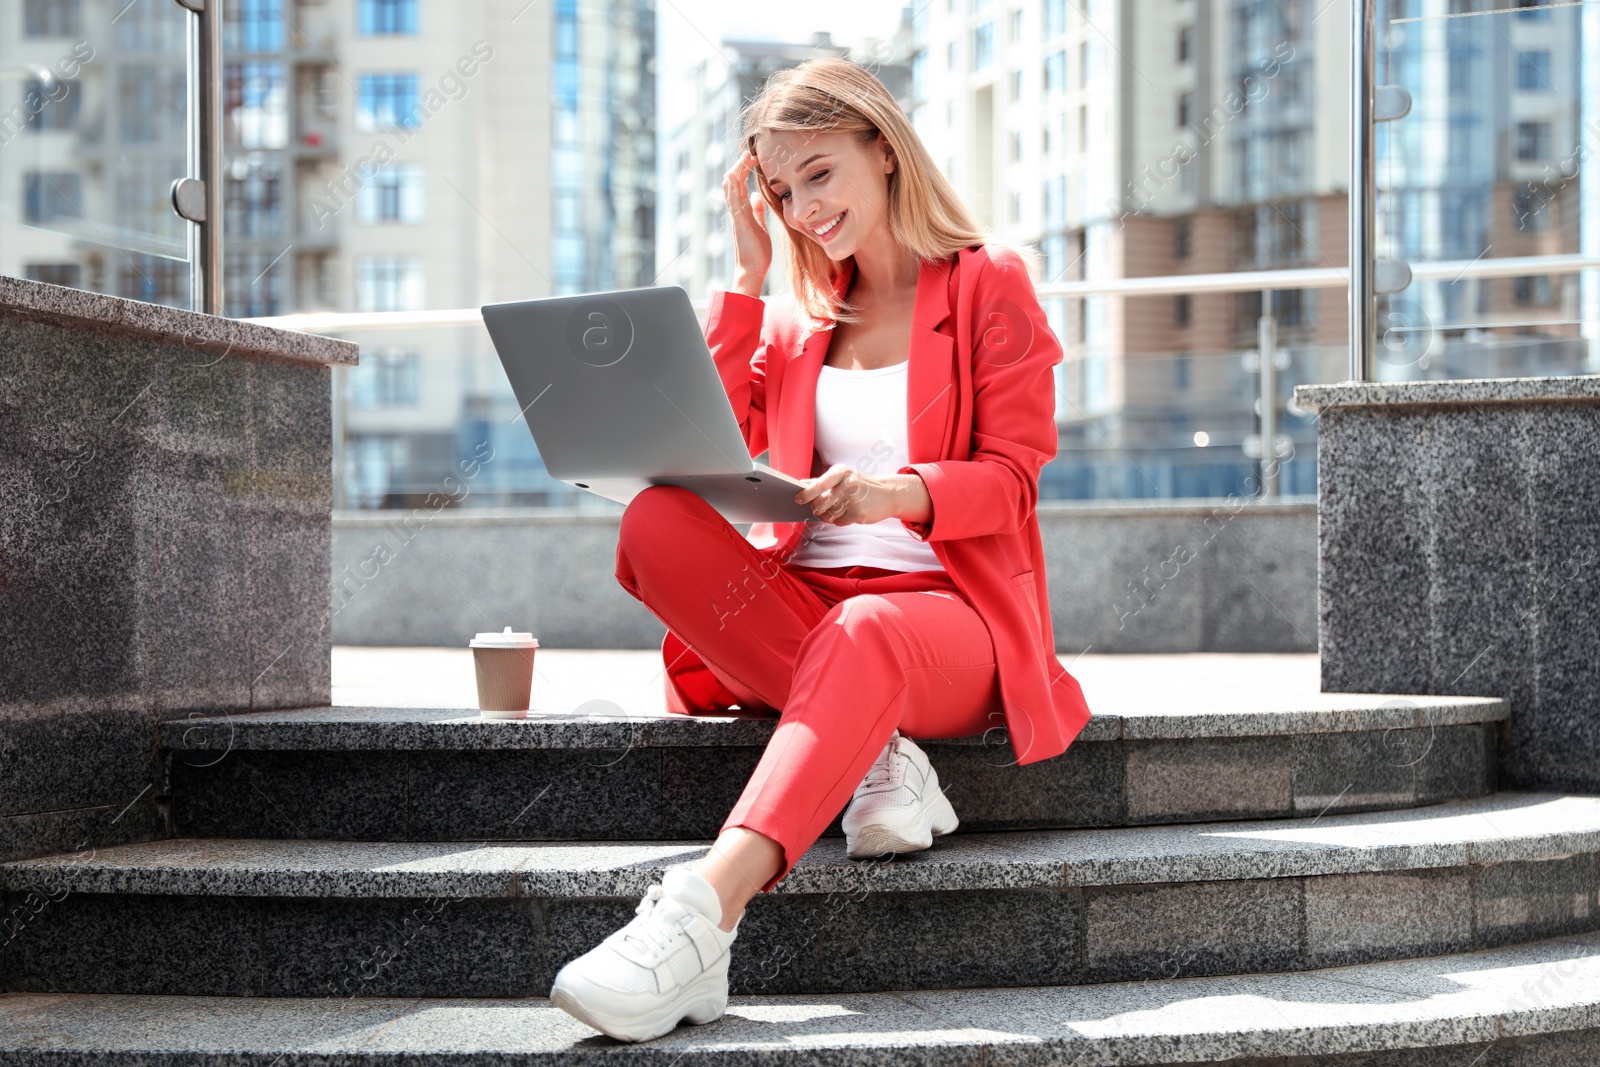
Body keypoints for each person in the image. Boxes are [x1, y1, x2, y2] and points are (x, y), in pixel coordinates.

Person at [549, 57, 1092, 1043]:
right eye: (782, 188)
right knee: (653, 521)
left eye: (820, 175)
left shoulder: (987, 284)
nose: (802, 207)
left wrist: (903, 491)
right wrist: (751, 279)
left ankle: (699, 915)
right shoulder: (800, 313)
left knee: (866, 627)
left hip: (943, 620)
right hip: (808, 605)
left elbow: (1014, 477)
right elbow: (696, 442)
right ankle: (873, 749)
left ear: (882, 152)